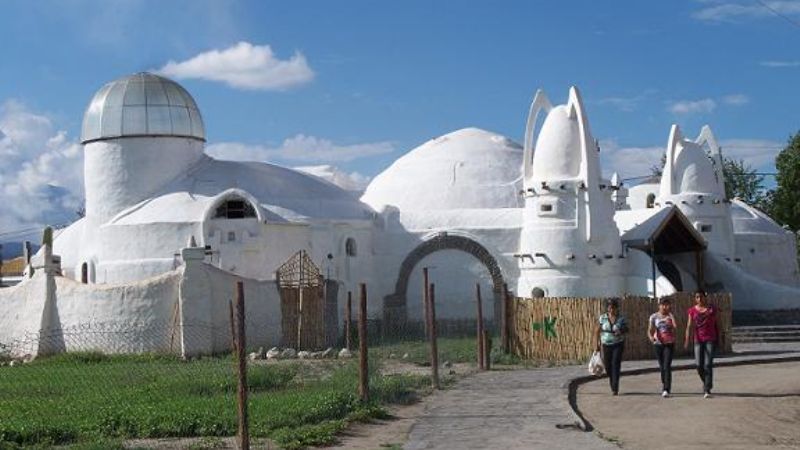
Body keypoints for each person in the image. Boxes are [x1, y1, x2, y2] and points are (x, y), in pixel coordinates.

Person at [684, 290, 719, 398]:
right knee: (699, 365)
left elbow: (718, 322)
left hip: (710, 339)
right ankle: (707, 382)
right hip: (698, 340)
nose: (699, 299)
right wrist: (687, 339)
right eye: (697, 297)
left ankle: (707, 389)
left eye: (701, 297)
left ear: (705, 297)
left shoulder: (712, 309)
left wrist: (722, 335)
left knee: (708, 364)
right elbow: (689, 326)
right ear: (695, 299)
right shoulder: (692, 310)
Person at [595, 298, 627, 395]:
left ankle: (615, 387)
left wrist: (620, 331)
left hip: (618, 343)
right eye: (610, 307)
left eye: (613, 308)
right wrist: (596, 344)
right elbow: (597, 331)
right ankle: (612, 381)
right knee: (608, 366)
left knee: (615, 364)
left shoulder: (621, 318)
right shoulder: (603, 318)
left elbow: (626, 329)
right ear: (607, 308)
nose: (611, 310)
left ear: (617, 308)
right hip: (606, 344)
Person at [649, 297, 677, 398]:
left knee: (667, 366)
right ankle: (664, 381)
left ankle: (666, 389)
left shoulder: (670, 316)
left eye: (667, 305)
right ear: (659, 306)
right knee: (662, 366)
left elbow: (675, 327)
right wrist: (651, 337)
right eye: (663, 305)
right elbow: (650, 330)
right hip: (658, 344)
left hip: (669, 343)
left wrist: (672, 317)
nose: (665, 307)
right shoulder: (654, 316)